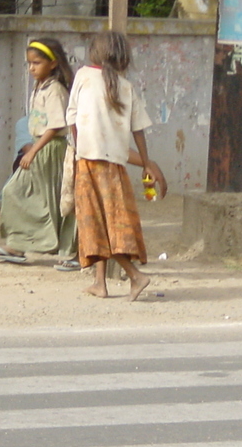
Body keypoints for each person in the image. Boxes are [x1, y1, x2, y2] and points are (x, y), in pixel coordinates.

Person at [66, 31, 167, 301]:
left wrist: (79, 151)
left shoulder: (84, 77)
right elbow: (139, 129)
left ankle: (135, 276)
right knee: (110, 222)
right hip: (115, 168)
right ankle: (100, 282)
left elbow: (72, 119)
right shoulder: (126, 86)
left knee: (95, 223)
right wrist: (146, 162)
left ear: (94, 52)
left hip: (89, 163)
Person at [0, 38, 79, 270]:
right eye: (29, 63)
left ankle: (69, 251)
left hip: (49, 150)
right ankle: (17, 245)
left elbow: (56, 126)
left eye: (36, 63)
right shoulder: (41, 87)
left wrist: (33, 152)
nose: (31, 68)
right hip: (39, 146)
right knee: (16, 192)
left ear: (53, 63)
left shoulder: (55, 90)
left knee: (55, 200)